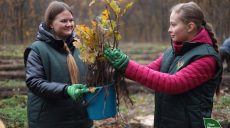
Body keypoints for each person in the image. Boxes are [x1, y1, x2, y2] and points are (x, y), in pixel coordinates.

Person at [104, 1, 222, 128]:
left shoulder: (206, 59)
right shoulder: (173, 51)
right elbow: (147, 70)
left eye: (173, 25)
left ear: (190, 27)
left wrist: (127, 65)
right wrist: (118, 67)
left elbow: (173, 84)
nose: (169, 29)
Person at [24, 1, 93, 128]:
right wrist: (66, 90)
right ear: (50, 24)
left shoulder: (80, 48)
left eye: (71, 20)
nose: (69, 24)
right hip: (49, 121)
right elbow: (34, 82)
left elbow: (91, 76)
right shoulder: (37, 50)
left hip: (81, 120)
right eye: (64, 21)